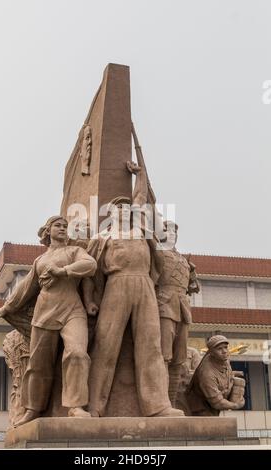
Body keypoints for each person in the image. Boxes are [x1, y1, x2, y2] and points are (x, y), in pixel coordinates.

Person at [84, 150, 184, 418]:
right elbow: (89, 273)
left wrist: (139, 175)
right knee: (106, 346)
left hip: (144, 287)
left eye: (127, 208)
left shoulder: (141, 230)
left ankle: (157, 405)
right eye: (119, 208)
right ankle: (95, 406)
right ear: (111, 212)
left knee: (150, 346)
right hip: (116, 287)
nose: (125, 211)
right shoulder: (103, 238)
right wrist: (90, 300)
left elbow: (141, 198)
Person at [0, 216, 97, 425]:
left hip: (73, 310)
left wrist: (63, 271)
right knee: (38, 365)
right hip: (44, 313)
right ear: (48, 231)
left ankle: (75, 406)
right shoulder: (40, 260)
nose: (63, 229)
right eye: (58, 226)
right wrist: (6, 307)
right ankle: (33, 409)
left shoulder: (74, 252)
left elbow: (90, 265)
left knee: (77, 354)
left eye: (65, 226)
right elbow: (25, 288)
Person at [155, 222, 200, 406]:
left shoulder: (183, 260)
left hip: (183, 307)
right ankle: (161, 402)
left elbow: (193, 287)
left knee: (179, 358)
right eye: (167, 230)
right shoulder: (157, 254)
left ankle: (171, 402)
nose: (171, 233)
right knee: (164, 355)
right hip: (164, 304)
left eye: (174, 231)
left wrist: (193, 276)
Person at [186, 335, 245, 416]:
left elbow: (225, 373)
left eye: (225, 347)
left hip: (213, 405)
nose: (224, 351)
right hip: (201, 408)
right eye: (219, 348)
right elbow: (217, 403)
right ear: (211, 353)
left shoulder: (224, 359)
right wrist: (236, 405)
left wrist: (233, 374)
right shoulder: (207, 373)